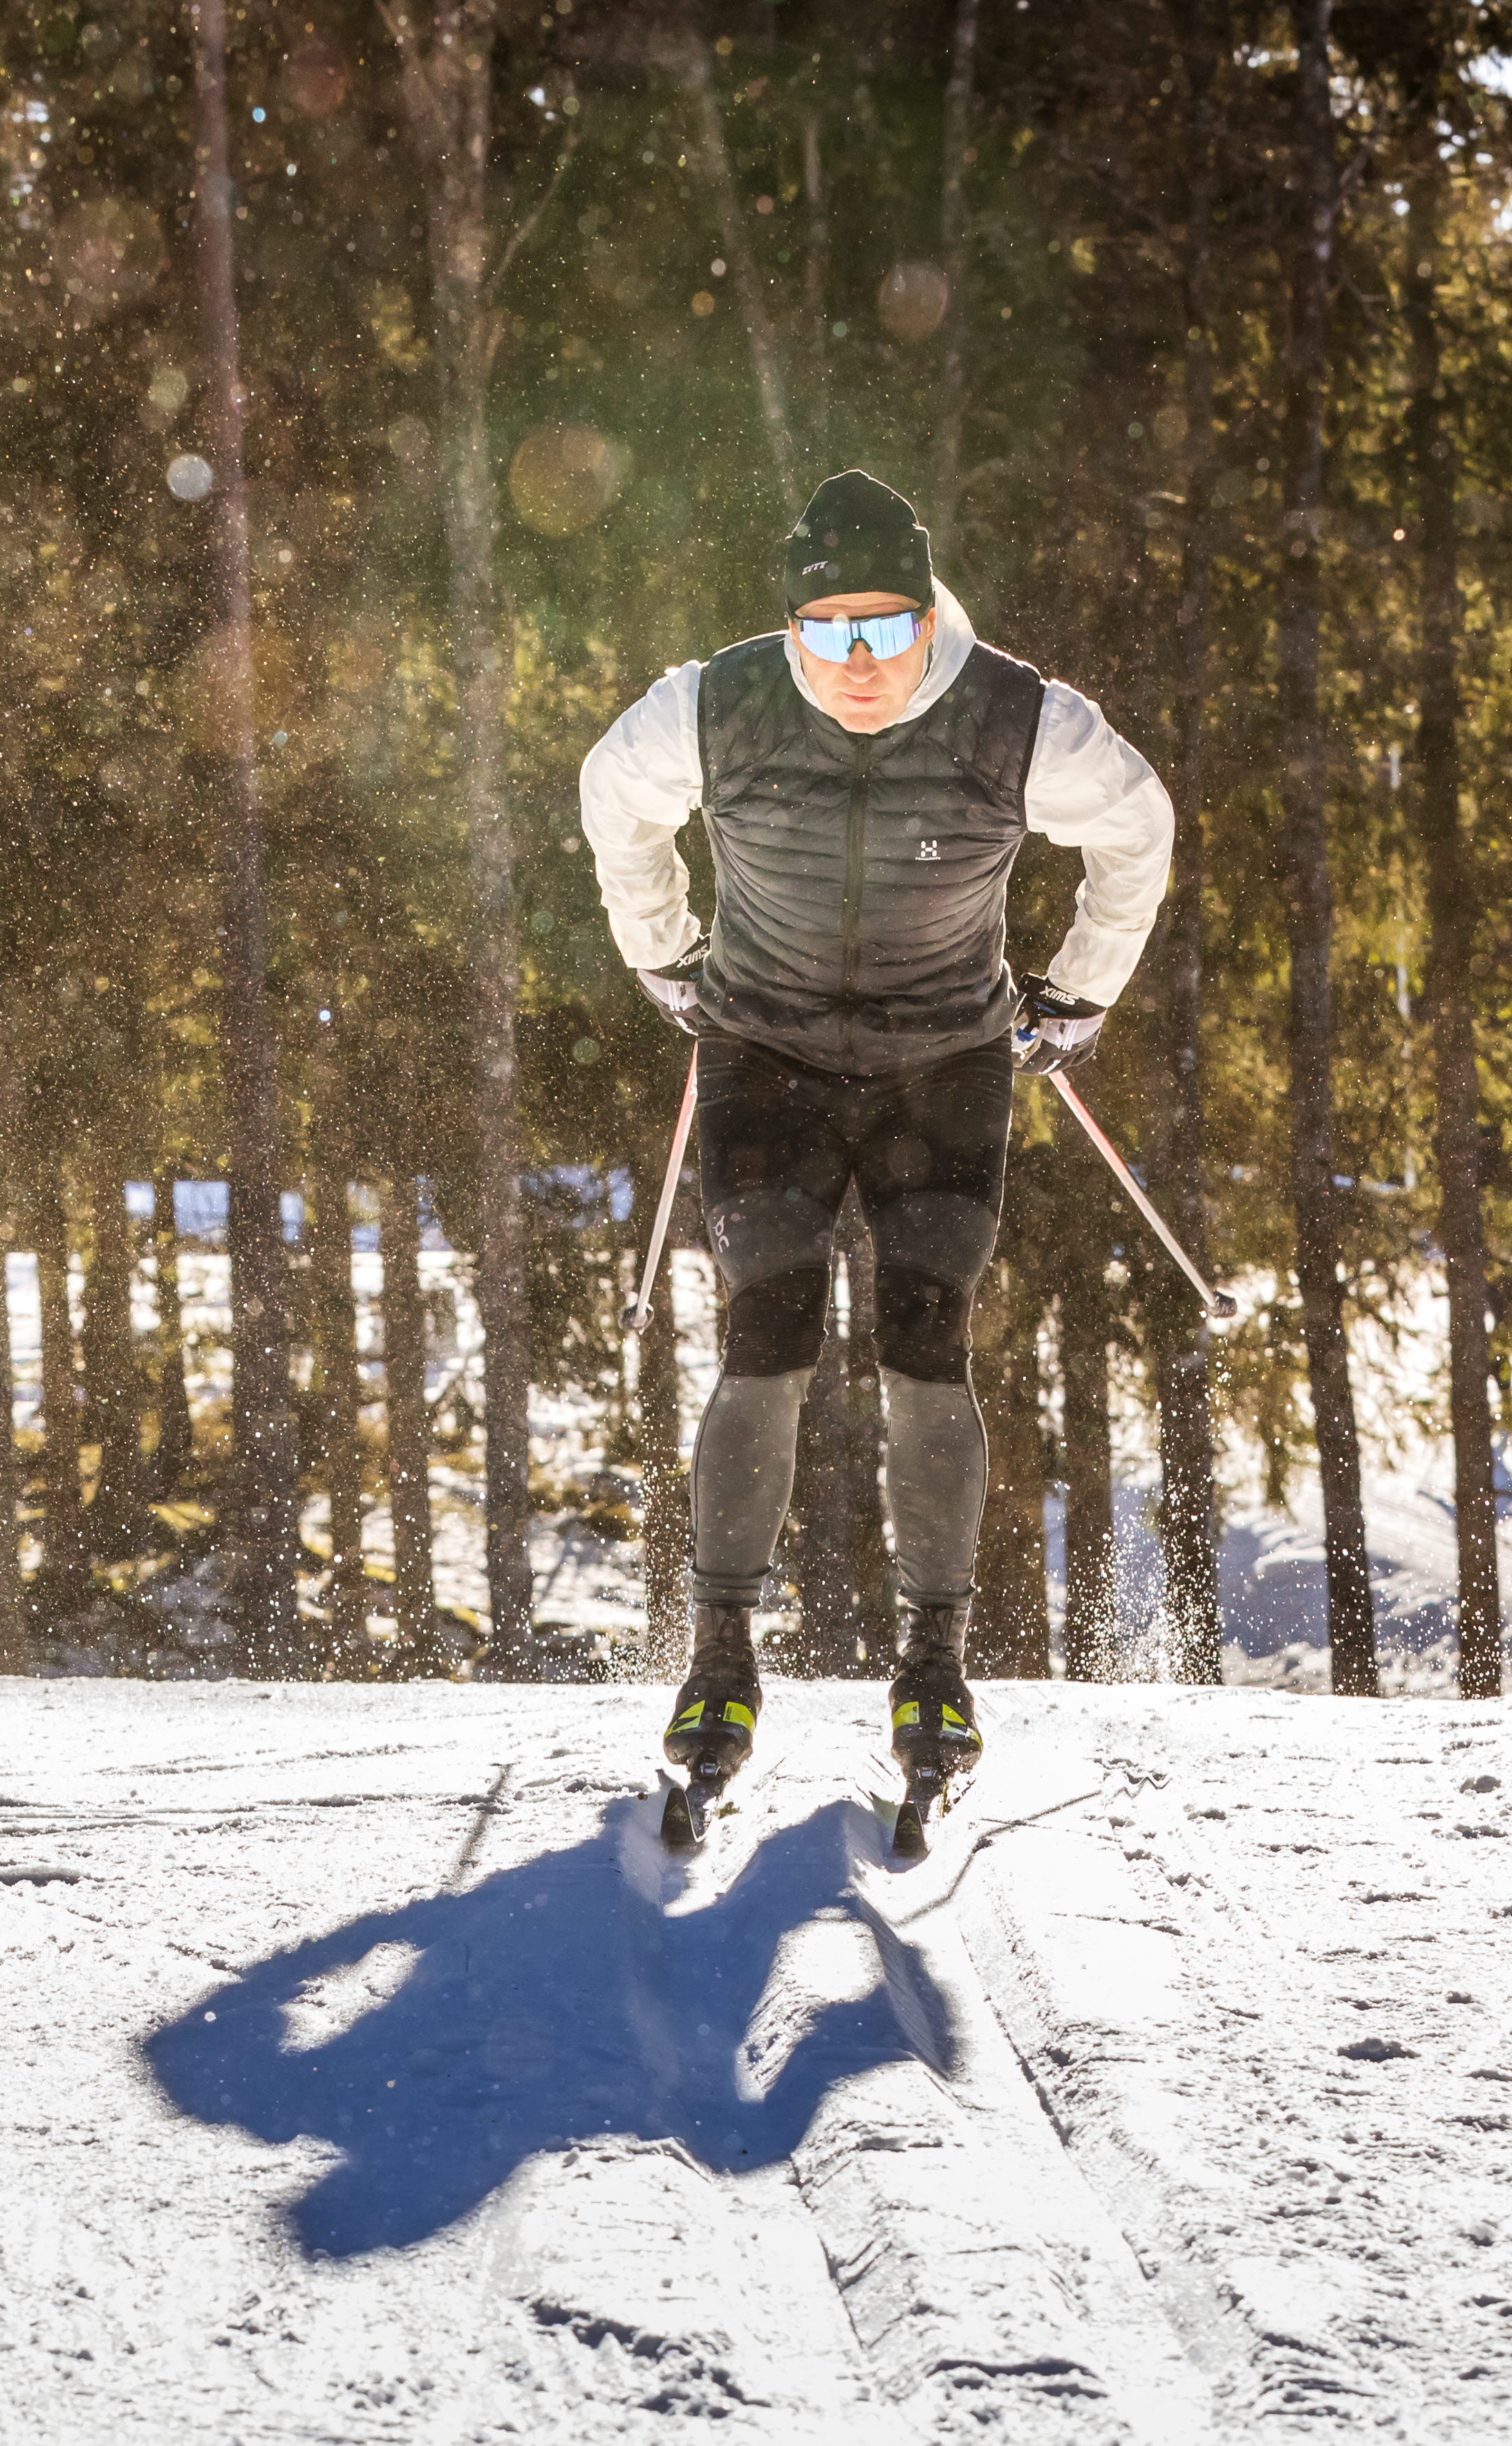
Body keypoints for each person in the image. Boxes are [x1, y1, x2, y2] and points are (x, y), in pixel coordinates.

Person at [578, 467, 1173, 1809]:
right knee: (765, 1321)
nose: (857, 664)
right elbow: (612, 795)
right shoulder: (709, 704)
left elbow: (1137, 828)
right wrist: (661, 949)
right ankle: (719, 1655)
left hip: (939, 1063)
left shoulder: (1016, 718)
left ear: (927, 618)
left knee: (924, 1327)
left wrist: (1079, 987)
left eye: (884, 630)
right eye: (828, 634)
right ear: (789, 631)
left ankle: (931, 1665)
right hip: (764, 1055)